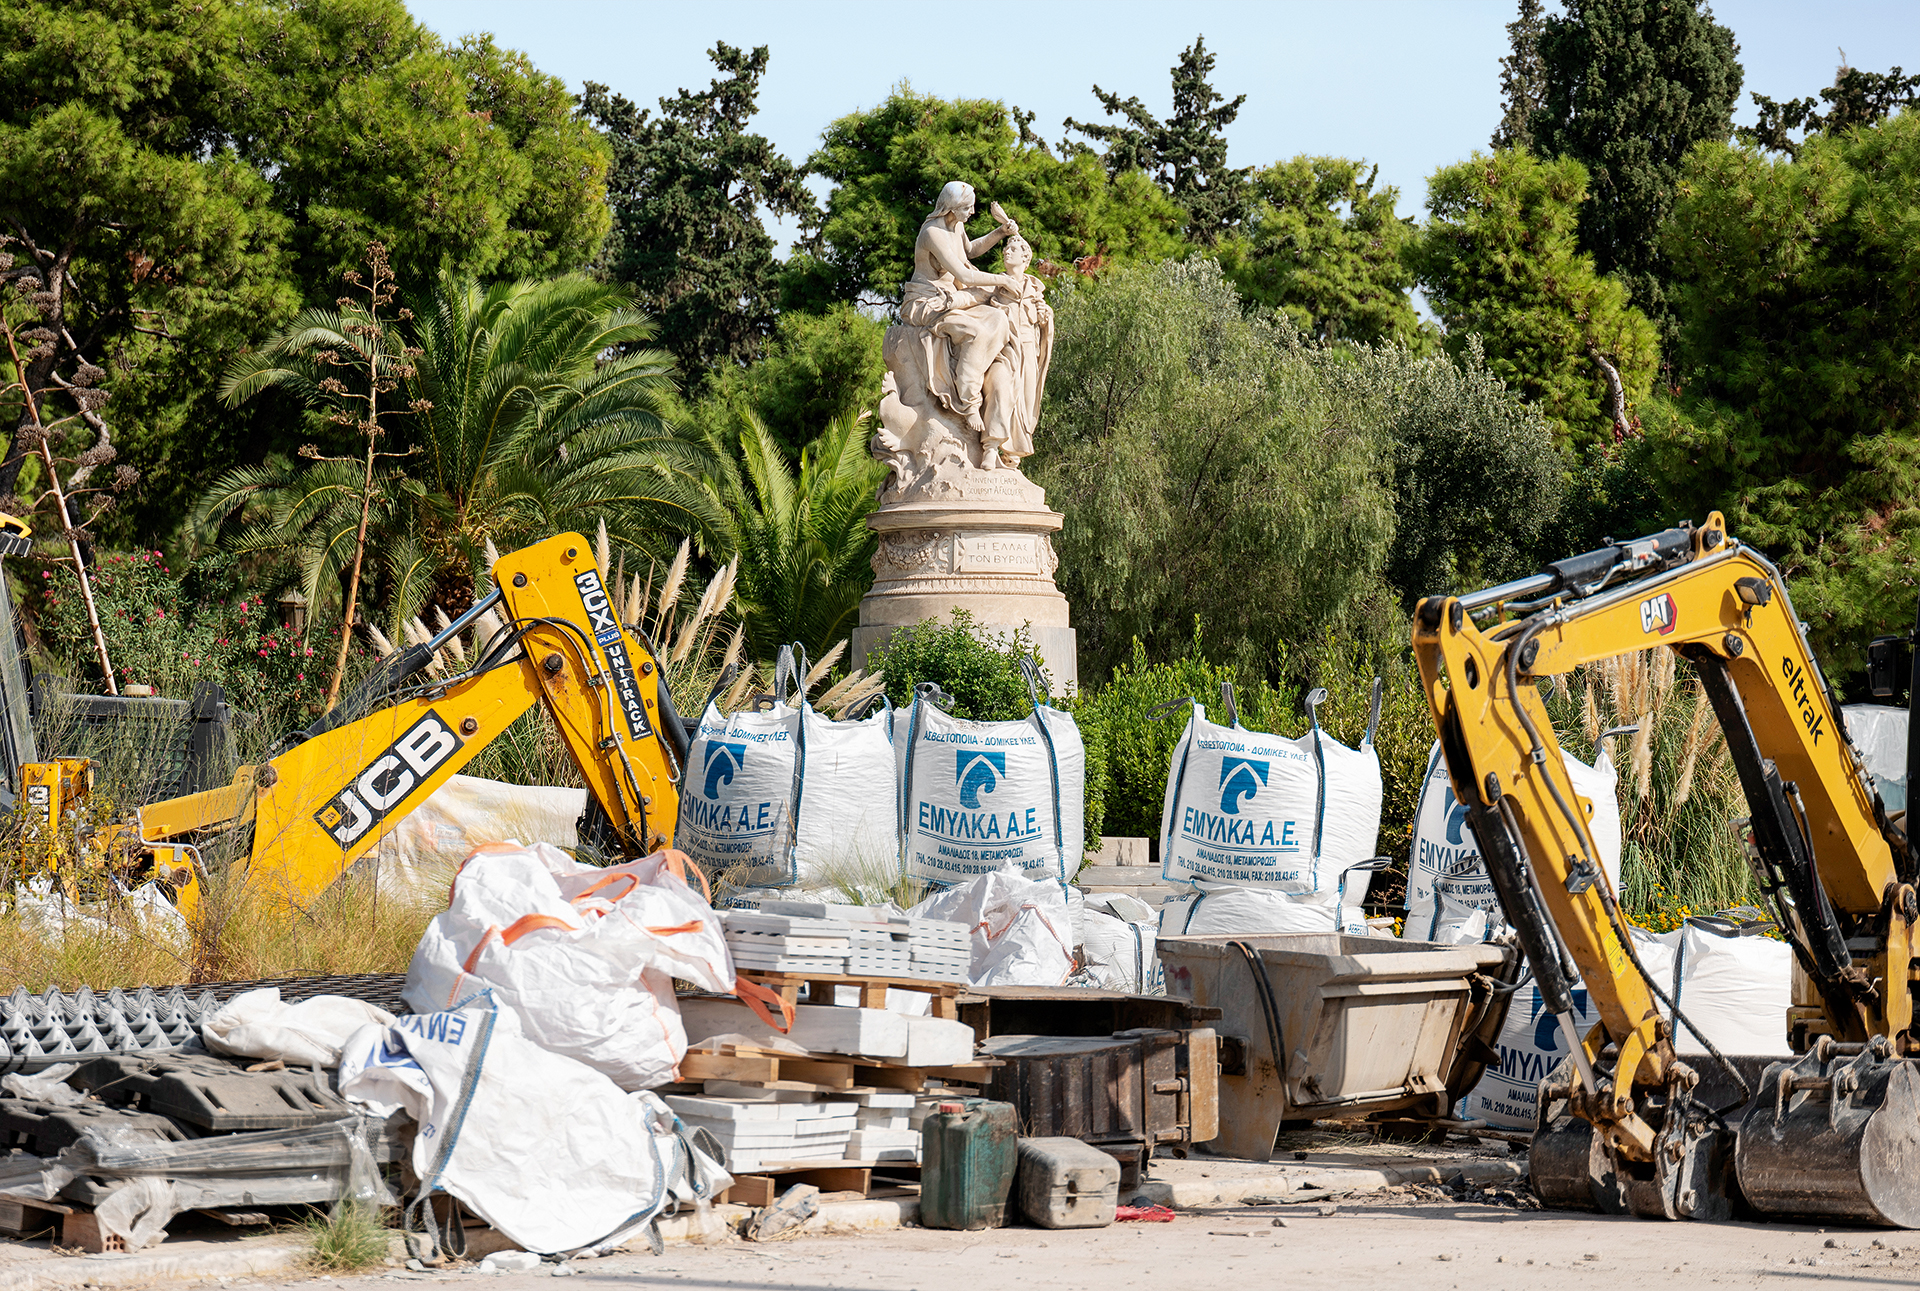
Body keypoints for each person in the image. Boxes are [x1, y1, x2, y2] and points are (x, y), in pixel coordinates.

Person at [900, 182, 1022, 440]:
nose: (973, 211)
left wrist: (1000, 232)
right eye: (968, 207)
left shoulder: (956, 225)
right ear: (952, 208)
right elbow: (964, 273)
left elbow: (969, 251)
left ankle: (973, 376)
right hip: (928, 302)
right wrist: (1002, 280)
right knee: (975, 331)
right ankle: (969, 402)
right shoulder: (932, 233)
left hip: (954, 298)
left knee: (999, 319)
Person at [982, 233, 1053, 468]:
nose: (1006, 252)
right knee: (1002, 390)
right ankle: (991, 447)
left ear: (1026, 257)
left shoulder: (1035, 290)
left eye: (1012, 248)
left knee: (1025, 402)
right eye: (1005, 249)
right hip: (1003, 349)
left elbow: (1043, 327)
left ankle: (1012, 455)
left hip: (1029, 351)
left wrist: (1045, 319)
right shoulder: (995, 284)